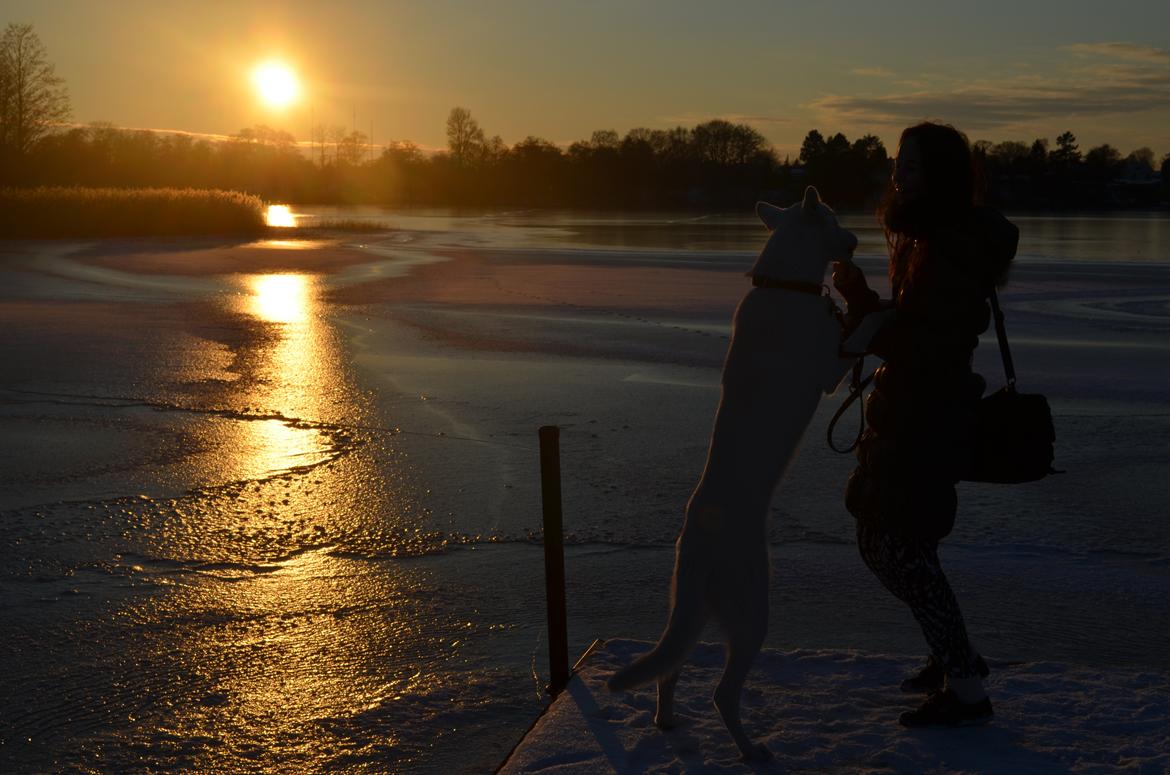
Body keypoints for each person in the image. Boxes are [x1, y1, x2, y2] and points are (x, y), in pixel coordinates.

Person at [831, 121, 1019, 727]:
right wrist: (860, 296)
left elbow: (925, 341)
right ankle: (952, 657)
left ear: (938, 176)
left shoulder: (950, 245)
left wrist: (865, 318)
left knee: (898, 548)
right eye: (897, 164)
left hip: (927, 415)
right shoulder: (925, 237)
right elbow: (909, 325)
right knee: (892, 543)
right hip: (911, 411)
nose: (898, 176)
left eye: (910, 166)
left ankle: (967, 688)